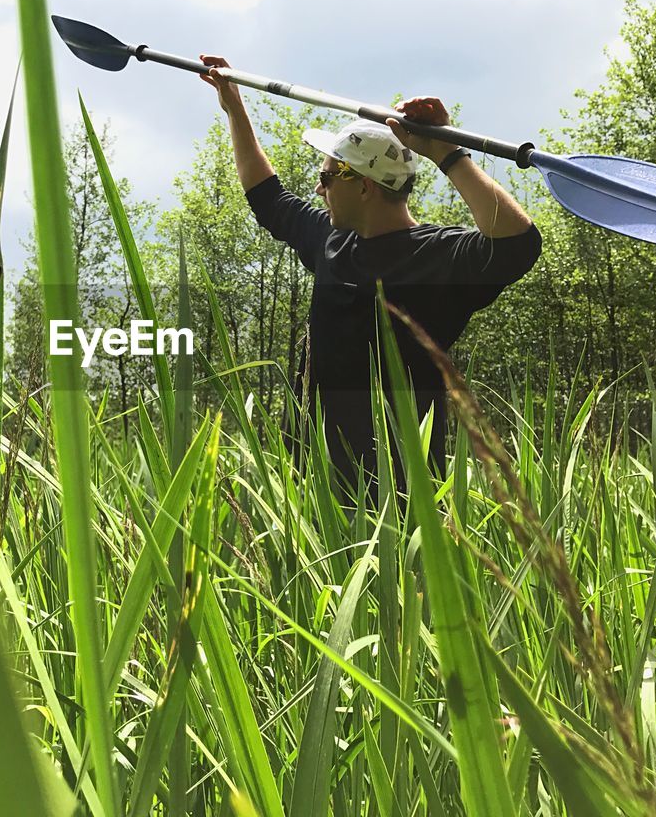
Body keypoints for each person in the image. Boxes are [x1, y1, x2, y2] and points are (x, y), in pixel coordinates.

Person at [199, 55, 542, 512]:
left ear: (363, 186)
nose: (318, 190)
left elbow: (517, 242)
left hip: (401, 498)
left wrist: (447, 154)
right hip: (315, 486)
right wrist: (234, 108)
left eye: (325, 178)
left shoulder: (438, 258)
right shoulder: (331, 241)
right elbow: (267, 196)